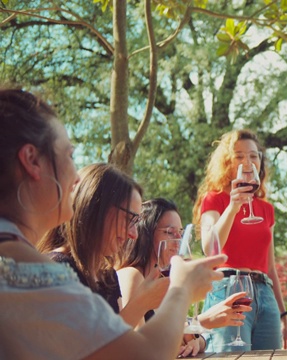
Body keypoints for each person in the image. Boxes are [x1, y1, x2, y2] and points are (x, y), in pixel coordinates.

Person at [0, 87, 224, 359]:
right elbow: (142, 354)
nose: (77, 177)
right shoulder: (28, 271)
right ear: (32, 160)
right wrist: (182, 289)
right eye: (70, 155)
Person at [193, 129, 287, 352]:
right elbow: (210, 248)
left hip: (265, 296)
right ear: (227, 162)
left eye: (254, 155)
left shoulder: (266, 209)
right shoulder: (214, 199)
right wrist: (232, 207)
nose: (247, 162)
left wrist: (284, 316)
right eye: (239, 156)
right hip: (229, 290)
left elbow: (270, 267)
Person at [118, 197, 253, 357]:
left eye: (180, 233)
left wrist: (196, 340)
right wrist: (203, 320)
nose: (179, 241)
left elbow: (183, 337)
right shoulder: (132, 275)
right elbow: (140, 348)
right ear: (146, 234)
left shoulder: (163, 282)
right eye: (169, 232)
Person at [38, 163, 165, 328]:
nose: (133, 234)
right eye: (129, 219)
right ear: (96, 208)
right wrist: (141, 303)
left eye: (137, 222)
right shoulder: (56, 269)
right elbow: (87, 349)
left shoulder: (107, 275)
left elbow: (120, 347)